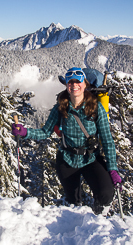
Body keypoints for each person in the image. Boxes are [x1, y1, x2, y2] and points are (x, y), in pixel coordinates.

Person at [12, 67, 121, 215]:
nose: (74, 85)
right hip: (67, 159)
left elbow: (107, 140)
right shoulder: (60, 107)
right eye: (71, 82)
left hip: (91, 158)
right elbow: (45, 132)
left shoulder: (96, 108)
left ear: (85, 84)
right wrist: (25, 132)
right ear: (66, 85)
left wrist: (112, 168)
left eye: (78, 82)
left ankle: (99, 218)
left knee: (106, 193)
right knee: (73, 201)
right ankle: (75, 225)